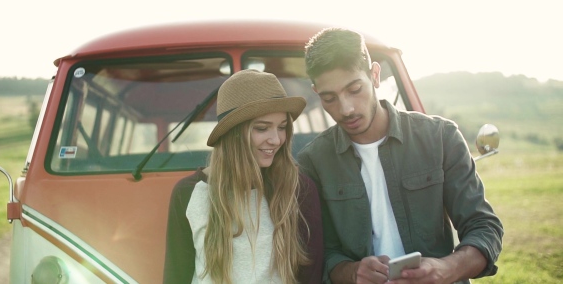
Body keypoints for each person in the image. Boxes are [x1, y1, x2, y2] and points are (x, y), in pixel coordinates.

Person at [296, 28, 503, 284]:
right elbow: (320, 252)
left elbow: (484, 227)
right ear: (317, 93)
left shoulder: (440, 137)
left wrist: (446, 269)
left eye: (354, 89)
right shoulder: (312, 162)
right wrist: (351, 272)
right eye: (330, 98)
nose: (346, 109)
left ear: (374, 75)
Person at [164, 69, 324, 284]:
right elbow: (176, 276)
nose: (276, 140)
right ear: (233, 133)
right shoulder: (188, 192)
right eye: (262, 128)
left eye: (282, 127)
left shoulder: (298, 189)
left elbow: (311, 275)